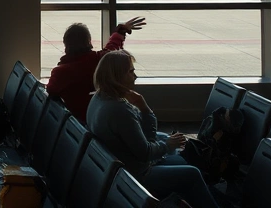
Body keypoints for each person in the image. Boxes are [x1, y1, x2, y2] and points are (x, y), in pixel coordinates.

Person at [87, 50, 219, 208]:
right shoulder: (119, 110)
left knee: (172, 147)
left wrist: (164, 142)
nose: (135, 76)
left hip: (119, 168)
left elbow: (143, 141)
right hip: (134, 176)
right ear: (118, 76)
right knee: (192, 173)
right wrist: (145, 110)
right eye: (131, 71)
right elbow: (146, 154)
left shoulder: (98, 98)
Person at [47, 17, 146, 124]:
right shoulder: (101, 60)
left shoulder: (60, 73)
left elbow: (51, 91)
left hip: (80, 123)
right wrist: (121, 32)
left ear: (66, 44)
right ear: (89, 42)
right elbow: (112, 48)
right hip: (107, 117)